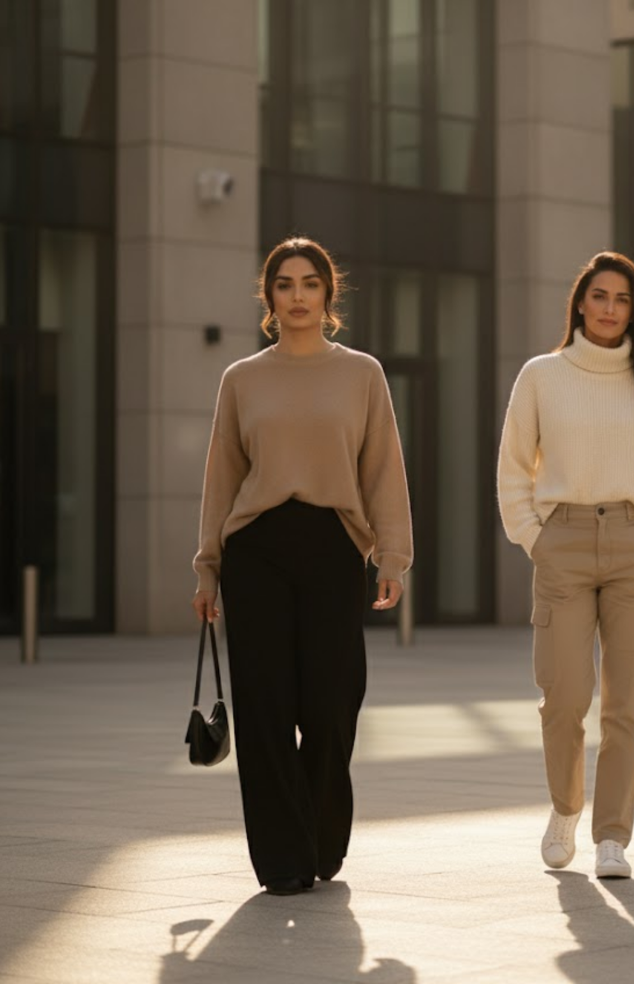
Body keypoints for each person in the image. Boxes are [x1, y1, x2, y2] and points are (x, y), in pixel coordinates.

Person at [193, 237, 412, 896]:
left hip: (331, 546)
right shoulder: (241, 379)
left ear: (327, 294)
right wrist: (207, 567)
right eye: (284, 284)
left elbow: (382, 468)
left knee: (330, 704)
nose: (297, 296)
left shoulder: (362, 374)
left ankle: (321, 834)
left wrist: (393, 555)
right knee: (264, 707)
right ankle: (282, 858)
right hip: (255, 550)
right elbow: (221, 477)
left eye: (309, 283)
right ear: (269, 297)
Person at [496, 251, 634, 881]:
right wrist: (534, 537)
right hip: (562, 540)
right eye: (600, 296)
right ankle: (565, 808)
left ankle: (613, 836)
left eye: (622, 299)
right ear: (581, 303)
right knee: (563, 696)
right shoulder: (541, 375)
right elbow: (513, 466)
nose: (610, 309)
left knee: (626, 705)